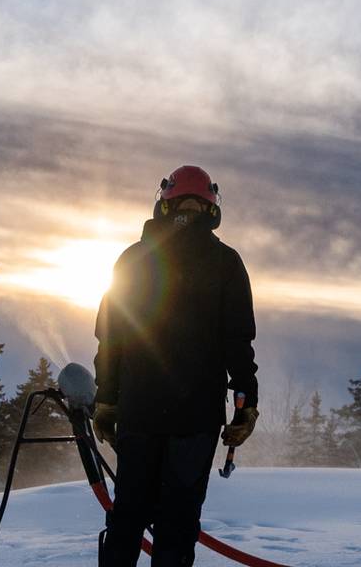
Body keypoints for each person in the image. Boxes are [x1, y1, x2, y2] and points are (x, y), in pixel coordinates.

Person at [93, 165, 260, 567]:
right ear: (212, 207)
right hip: (195, 419)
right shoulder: (226, 263)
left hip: (140, 411)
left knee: (128, 516)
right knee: (177, 524)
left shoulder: (133, 259)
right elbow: (239, 344)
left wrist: (107, 401)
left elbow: (111, 337)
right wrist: (245, 404)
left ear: (163, 204)